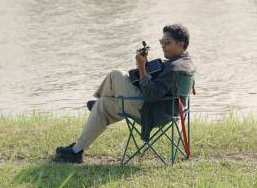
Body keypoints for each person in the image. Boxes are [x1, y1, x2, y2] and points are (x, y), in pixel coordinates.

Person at [54, 24, 196, 163]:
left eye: (167, 42)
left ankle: (102, 98)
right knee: (103, 106)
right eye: (161, 42)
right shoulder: (186, 62)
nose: (163, 45)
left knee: (116, 75)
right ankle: (76, 151)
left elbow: (151, 95)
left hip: (152, 112)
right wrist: (145, 65)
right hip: (167, 110)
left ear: (181, 44)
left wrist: (141, 66)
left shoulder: (174, 68)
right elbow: (156, 88)